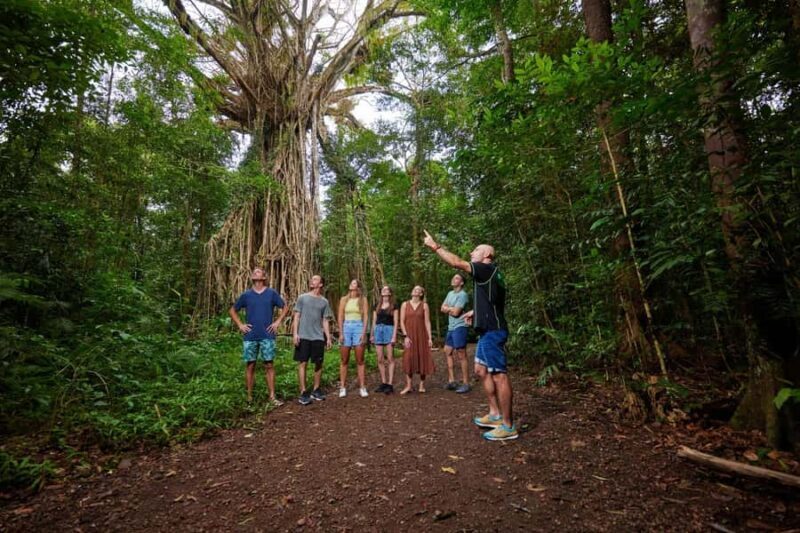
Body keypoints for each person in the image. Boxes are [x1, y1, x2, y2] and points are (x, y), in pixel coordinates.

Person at [423, 230, 517, 441]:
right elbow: (495, 301)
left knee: (499, 374)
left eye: (476, 250)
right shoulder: (492, 275)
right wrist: (475, 313)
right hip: (486, 330)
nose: (471, 252)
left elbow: (457, 263)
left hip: (493, 331)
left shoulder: (486, 268)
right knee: (482, 370)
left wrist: (435, 246)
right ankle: (494, 414)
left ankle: (508, 425)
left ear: (486, 256)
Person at [229, 267, 289, 406]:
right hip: (250, 336)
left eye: (259, 271)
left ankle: (272, 397)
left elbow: (285, 307)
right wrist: (240, 325)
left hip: (267, 335)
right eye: (254, 272)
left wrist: (277, 322)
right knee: (250, 365)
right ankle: (249, 397)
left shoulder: (271, 293)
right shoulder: (246, 295)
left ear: (264, 277)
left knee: (269, 365)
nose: (255, 272)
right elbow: (232, 310)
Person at [293, 274, 334, 406]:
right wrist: (295, 334)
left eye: (315, 279)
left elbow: (325, 320)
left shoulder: (324, 301)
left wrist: (328, 337)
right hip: (304, 335)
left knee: (318, 363)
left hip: (317, 336)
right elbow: (297, 316)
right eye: (312, 279)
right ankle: (303, 391)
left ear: (321, 284)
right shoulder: (302, 298)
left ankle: (316, 389)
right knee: (303, 363)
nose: (312, 280)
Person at [337, 279, 370, 398]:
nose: (352, 284)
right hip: (346, 327)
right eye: (351, 282)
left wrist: (363, 332)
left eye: (354, 283)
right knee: (344, 359)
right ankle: (342, 387)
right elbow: (340, 316)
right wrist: (341, 333)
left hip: (358, 326)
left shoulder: (363, 300)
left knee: (360, 359)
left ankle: (362, 387)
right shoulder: (344, 299)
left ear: (358, 287)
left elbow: (366, 316)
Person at [399, 285, 434, 395]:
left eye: (418, 290)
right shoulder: (405, 304)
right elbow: (401, 321)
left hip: (422, 335)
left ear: (421, 294)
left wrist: (429, 338)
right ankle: (408, 385)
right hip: (409, 335)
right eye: (414, 289)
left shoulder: (424, 305)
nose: (415, 290)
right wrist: (405, 336)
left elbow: (427, 322)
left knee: (422, 357)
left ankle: (421, 385)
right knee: (408, 358)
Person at [441, 273, 471, 394]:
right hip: (451, 327)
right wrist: (450, 309)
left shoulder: (463, 295)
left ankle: (466, 383)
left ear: (462, 283)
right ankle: (452, 381)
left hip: (460, 326)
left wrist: (448, 309)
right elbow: (442, 307)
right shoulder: (450, 294)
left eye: (457, 278)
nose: (454, 279)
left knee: (461, 353)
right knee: (447, 351)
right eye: (453, 277)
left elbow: (456, 312)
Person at [371, 285, 399, 394]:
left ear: (390, 293)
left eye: (387, 289)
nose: (384, 290)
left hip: (389, 330)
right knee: (380, 358)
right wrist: (372, 335)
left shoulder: (394, 306)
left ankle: (390, 384)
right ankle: (383, 382)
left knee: (390, 358)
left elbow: (396, 322)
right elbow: (374, 321)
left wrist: (394, 336)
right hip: (378, 330)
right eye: (383, 289)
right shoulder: (376, 306)